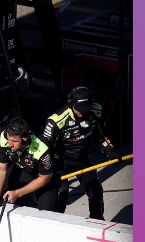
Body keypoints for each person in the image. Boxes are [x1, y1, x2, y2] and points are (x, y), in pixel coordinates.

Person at [41, 87, 118, 220]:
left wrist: (109, 150)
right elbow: (45, 147)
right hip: (61, 162)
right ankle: (55, 222)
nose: (82, 112)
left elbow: (100, 134)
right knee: (61, 196)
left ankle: (97, 222)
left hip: (83, 160)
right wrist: (54, 166)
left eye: (85, 107)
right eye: (79, 108)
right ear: (71, 104)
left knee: (96, 191)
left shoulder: (95, 111)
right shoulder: (55, 121)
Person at [0, 118, 58, 211]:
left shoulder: (42, 149)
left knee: (46, 212)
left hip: (44, 176)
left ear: (25, 140)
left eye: (14, 141)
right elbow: (1, 168)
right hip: (22, 169)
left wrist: (17, 193)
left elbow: (45, 178)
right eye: (9, 139)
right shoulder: (4, 139)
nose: (10, 144)